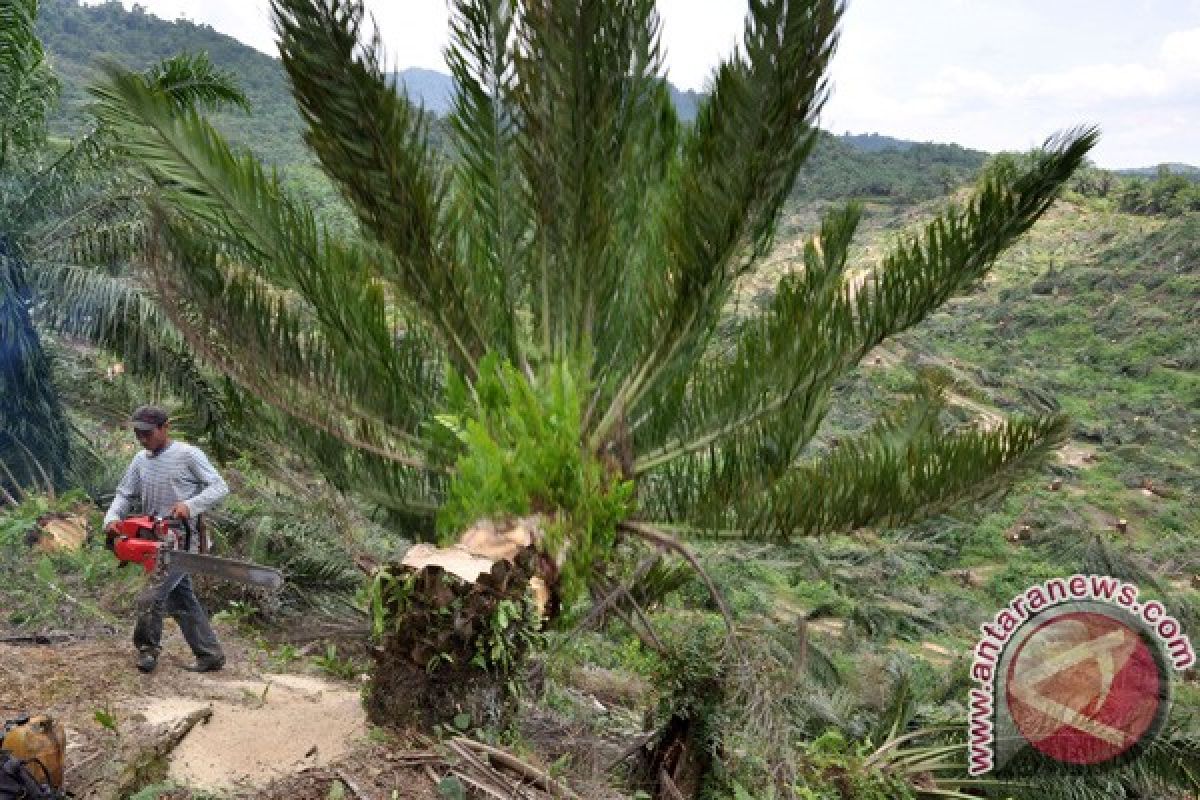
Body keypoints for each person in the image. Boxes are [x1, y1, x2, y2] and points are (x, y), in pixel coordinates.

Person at [102, 405, 229, 674]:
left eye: (148, 432)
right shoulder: (140, 460)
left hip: (182, 539)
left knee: (151, 595)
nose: (142, 438)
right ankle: (210, 654)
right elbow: (124, 493)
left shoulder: (187, 455)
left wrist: (190, 505)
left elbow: (219, 487)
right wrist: (112, 518)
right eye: (138, 433)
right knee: (180, 598)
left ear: (164, 427)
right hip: (153, 537)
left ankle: (147, 651)